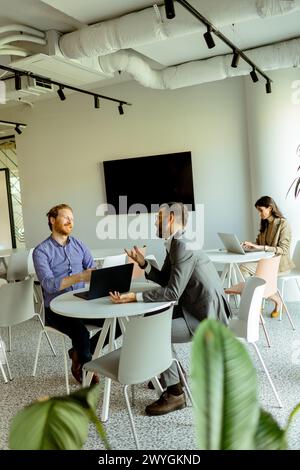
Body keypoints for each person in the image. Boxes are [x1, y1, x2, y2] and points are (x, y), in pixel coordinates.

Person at [110, 202, 232, 416]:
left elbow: (173, 292)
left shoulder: (182, 244)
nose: (155, 222)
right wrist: (143, 264)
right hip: (196, 306)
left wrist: (134, 297)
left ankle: (175, 393)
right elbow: (167, 280)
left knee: (154, 333)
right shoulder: (177, 241)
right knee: (150, 317)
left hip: (206, 317)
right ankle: (172, 372)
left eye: (158, 218)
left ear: (170, 219)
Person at [33, 203, 120, 384]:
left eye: (72, 219)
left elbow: (93, 270)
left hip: (83, 303)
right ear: (52, 220)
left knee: (117, 322)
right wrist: (79, 276)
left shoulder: (79, 244)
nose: (70, 222)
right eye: (66, 218)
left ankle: (79, 353)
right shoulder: (41, 251)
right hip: (57, 309)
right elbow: (48, 285)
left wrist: (100, 278)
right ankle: (87, 373)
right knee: (81, 334)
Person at [241, 195, 294, 317]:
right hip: (266, 263)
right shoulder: (265, 224)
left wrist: (261, 247)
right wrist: (249, 245)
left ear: (270, 208)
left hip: (279, 265)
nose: (260, 214)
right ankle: (274, 300)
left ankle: (258, 302)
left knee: (244, 269)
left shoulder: (283, 224)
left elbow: (284, 249)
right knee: (247, 272)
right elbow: (259, 243)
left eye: (261, 210)